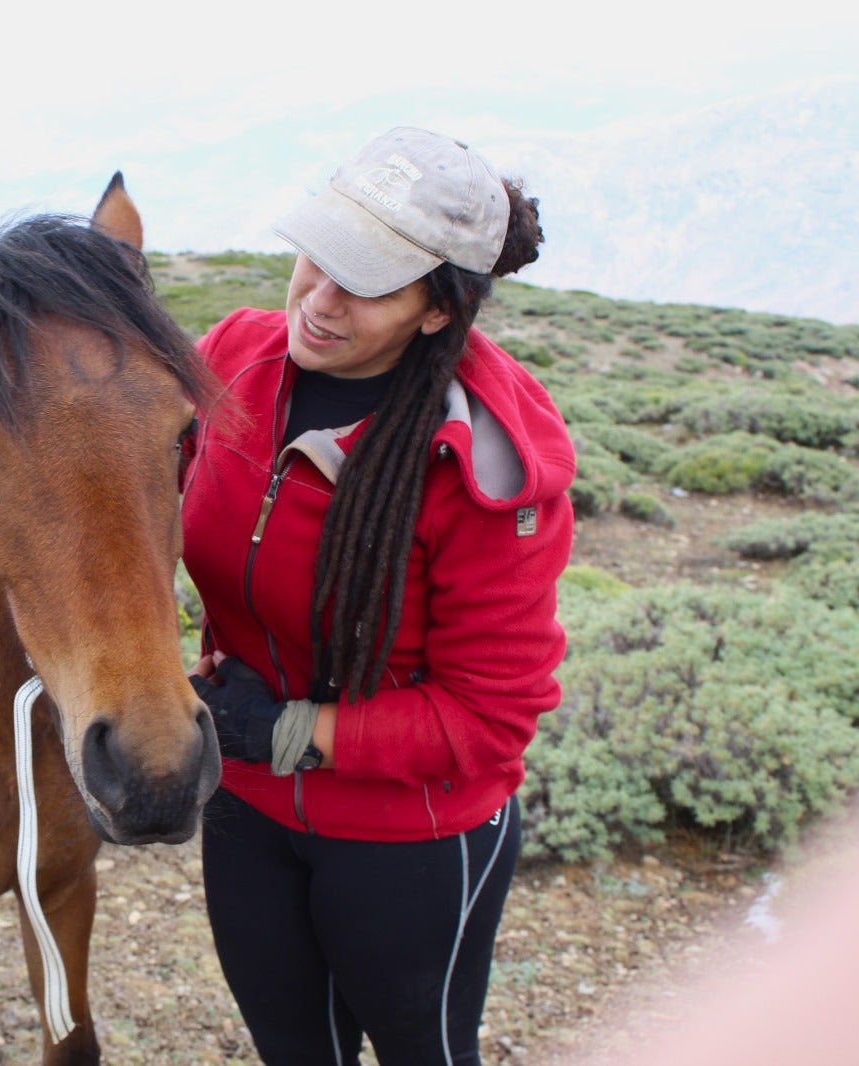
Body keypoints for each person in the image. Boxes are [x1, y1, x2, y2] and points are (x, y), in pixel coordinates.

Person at [179, 126, 576, 1065]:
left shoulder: (481, 469)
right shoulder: (235, 359)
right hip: (246, 803)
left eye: (363, 284)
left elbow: (488, 719)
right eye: (317, 257)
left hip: (411, 837)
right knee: (293, 1051)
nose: (315, 302)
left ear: (437, 310)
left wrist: (289, 730)